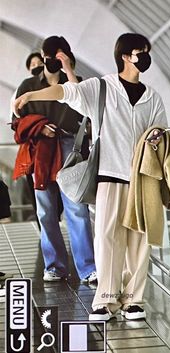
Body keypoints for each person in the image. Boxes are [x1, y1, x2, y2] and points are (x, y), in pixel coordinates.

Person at [14, 33, 167, 320]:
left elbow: (162, 131)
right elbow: (64, 92)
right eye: (139, 52)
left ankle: (133, 299)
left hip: (142, 178)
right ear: (124, 55)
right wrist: (30, 96)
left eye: (146, 51)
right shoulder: (101, 87)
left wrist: (156, 139)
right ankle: (106, 299)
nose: (144, 57)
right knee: (107, 237)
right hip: (110, 174)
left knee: (139, 239)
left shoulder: (152, 96)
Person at [12, 36, 96, 283]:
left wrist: (69, 71)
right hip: (41, 152)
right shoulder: (28, 86)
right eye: (50, 56)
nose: (53, 61)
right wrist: (40, 128)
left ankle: (87, 267)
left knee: (77, 209)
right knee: (46, 210)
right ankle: (54, 266)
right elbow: (17, 123)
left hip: (72, 150)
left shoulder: (76, 84)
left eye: (60, 56)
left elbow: (86, 114)